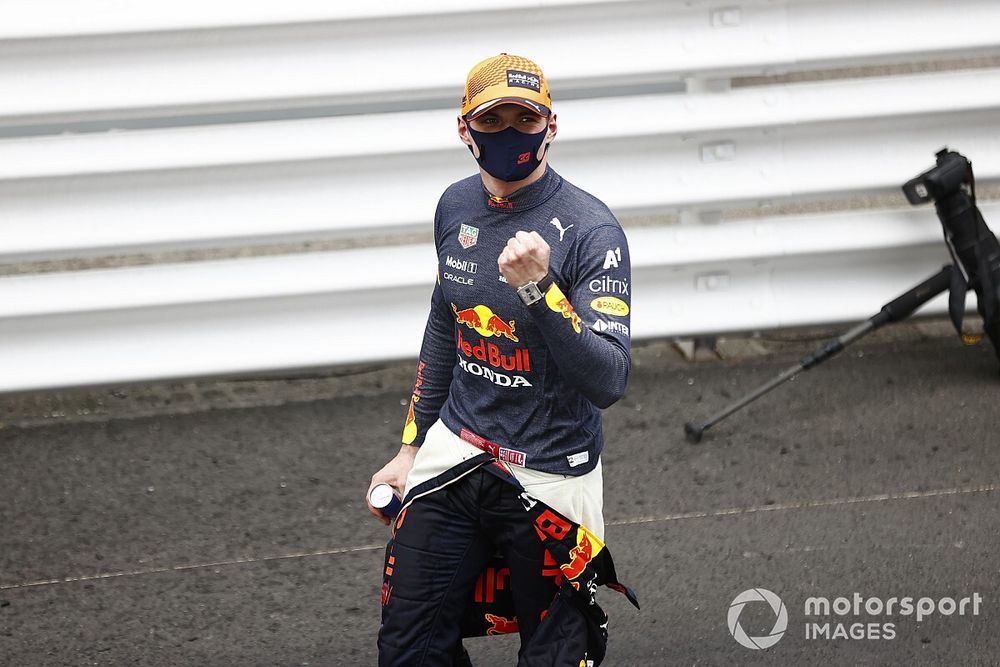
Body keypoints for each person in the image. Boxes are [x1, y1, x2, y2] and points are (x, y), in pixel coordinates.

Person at [367, 53, 633, 666]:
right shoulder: (454, 206)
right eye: (493, 121)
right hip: (457, 450)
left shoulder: (593, 231)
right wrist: (411, 449)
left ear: (552, 126)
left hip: (550, 472)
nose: (510, 132)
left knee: (557, 655)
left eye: (525, 118)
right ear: (465, 130)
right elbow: (445, 322)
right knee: (407, 645)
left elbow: (608, 380)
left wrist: (540, 292)